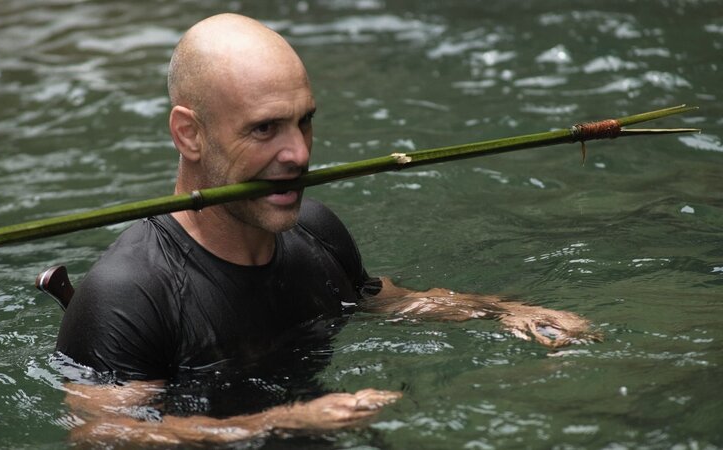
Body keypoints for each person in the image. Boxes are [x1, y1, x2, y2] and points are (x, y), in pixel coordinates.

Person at [55, 13, 598, 446]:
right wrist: (281, 422)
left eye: (304, 120)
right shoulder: (129, 293)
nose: (298, 153)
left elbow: (383, 300)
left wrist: (507, 311)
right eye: (265, 128)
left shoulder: (314, 232)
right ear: (189, 134)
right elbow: (108, 434)